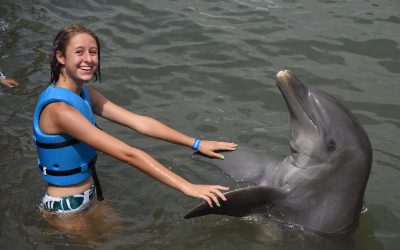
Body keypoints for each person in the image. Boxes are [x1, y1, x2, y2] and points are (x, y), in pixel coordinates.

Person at [33, 24, 237, 219]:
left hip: (91, 192)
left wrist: (197, 143)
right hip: (66, 206)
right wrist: (186, 186)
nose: (88, 59)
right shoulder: (60, 111)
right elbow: (128, 154)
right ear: (60, 56)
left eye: (93, 52)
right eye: (79, 52)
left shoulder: (86, 95)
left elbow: (140, 123)